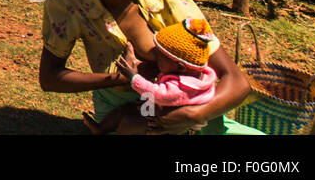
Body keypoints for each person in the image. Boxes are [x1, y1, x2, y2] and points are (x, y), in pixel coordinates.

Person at [38, 0, 258, 134]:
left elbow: (237, 82)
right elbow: (50, 79)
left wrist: (194, 115)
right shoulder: (69, 3)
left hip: (187, 106)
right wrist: (116, 79)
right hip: (124, 114)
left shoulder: (166, 0)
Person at [90, 17, 221, 135]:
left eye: (160, 56)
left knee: (130, 122)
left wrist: (133, 77)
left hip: (166, 124)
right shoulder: (194, 73)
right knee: (127, 108)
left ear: (180, 66)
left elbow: (158, 94)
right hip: (160, 107)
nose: (155, 58)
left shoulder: (183, 86)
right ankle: (101, 129)